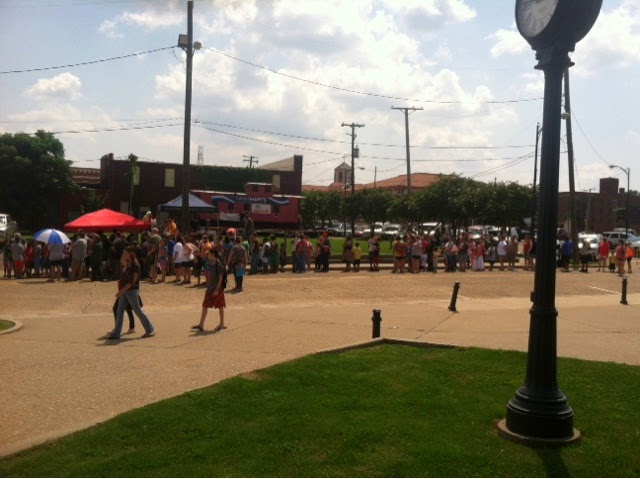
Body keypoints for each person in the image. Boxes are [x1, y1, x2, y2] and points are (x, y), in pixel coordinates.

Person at [107, 247, 155, 340]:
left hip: (131, 291)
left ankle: (149, 329)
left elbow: (132, 282)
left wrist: (121, 291)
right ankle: (116, 333)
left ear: (130, 254)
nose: (124, 255)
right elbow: (123, 277)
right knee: (119, 311)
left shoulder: (135, 265)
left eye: (125, 254)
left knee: (137, 311)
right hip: (125, 291)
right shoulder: (127, 264)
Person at [192, 249, 226, 333]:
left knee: (220, 306)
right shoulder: (212, 263)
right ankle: (201, 324)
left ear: (213, 254)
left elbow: (220, 278)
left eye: (209, 254)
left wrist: (217, 289)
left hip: (217, 289)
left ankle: (221, 323)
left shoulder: (218, 265)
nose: (207, 255)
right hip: (210, 288)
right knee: (205, 305)